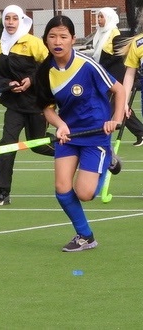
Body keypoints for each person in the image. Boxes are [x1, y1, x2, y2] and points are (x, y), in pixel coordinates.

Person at [35, 15, 125, 252]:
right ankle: (85, 235)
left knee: (85, 194)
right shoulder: (45, 72)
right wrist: (60, 125)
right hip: (70, 135)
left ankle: (108, 161)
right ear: (46, 40)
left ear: (72, 39)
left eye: (63, 36)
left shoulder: (87, 65)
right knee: (62, 188)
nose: (57, 41)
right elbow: (47, 108)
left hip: (96, 133)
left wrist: (115, 119)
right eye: (52, 36)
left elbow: (120, 89)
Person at [0, 5, 54, 206]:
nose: (10, 22)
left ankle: (79, 148)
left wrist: (31, 80)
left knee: (39, 145)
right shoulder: (0, 45)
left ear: (21, 20)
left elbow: (50, 66)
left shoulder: (33, 42)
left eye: (14, 18)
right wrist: (7, 84)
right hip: (15, 105)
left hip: (37, 103)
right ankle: (2, 191)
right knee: (6, 145)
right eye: (7, 18)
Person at [92, 7, 143, 146]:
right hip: (106, 77)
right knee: (120, 105)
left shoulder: (116, 35)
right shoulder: (101, 35)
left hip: (115, 78)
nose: (99, 20)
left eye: (102, 17)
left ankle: (98, 132)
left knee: (112, 106)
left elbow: (120, 58)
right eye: (98, 17)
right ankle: (140, 132)